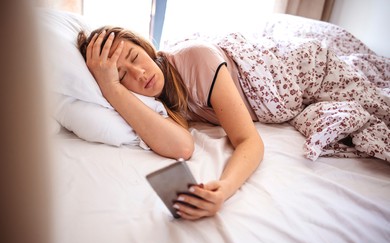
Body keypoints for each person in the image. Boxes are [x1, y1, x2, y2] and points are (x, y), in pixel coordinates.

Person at [77, 27, 264, 220]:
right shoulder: (149, 99)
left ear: (145, 48)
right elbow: (182, 147)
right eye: (122, 75)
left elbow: (249, 140)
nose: (139, 73)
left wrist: (225, 188)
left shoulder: (198, 59)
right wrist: (111, 87)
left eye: (134, 57)